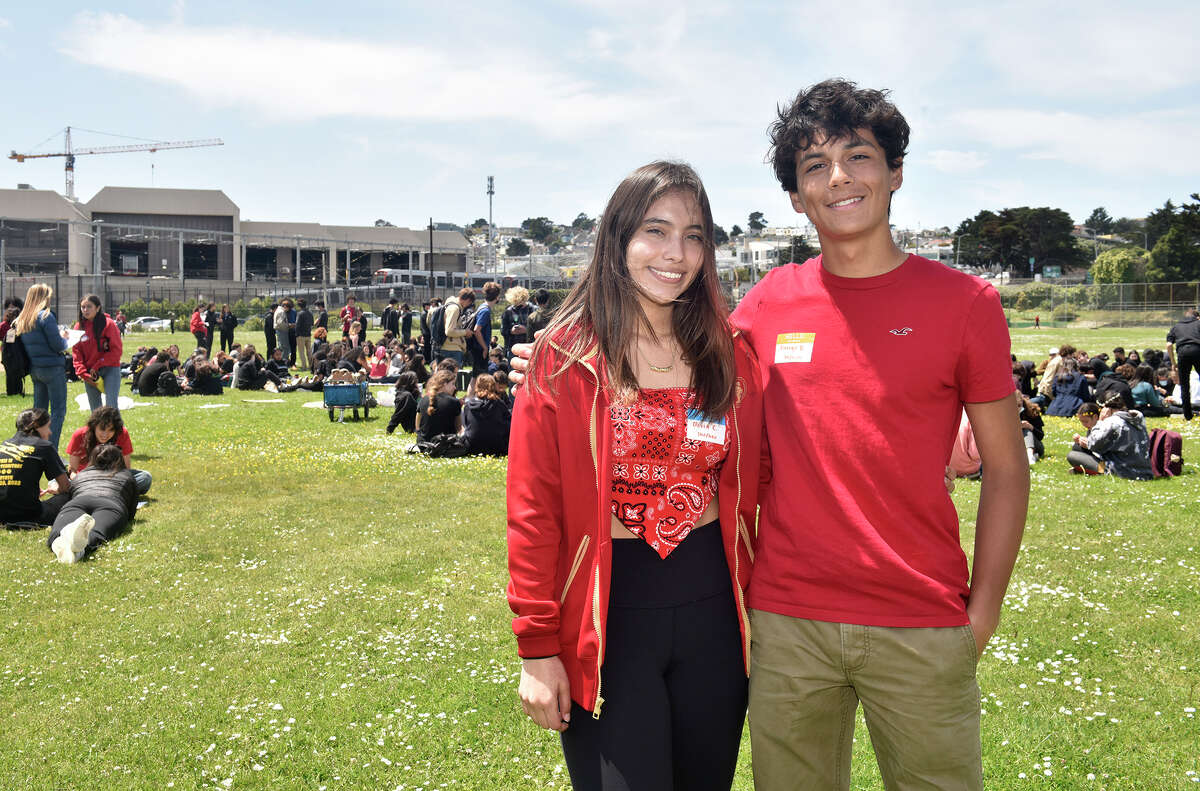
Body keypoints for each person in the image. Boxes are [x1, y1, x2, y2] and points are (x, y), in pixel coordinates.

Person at [735, 80, 1027, 790]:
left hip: (921, 620)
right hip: (788, 621)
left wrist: (980, 613)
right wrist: (574, 364)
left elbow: (1008, 471)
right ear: (797, 197)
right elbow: (678, 376)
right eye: (813, 166)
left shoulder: (966, 303)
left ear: (894, 173)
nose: (838, 177)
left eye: (858, 156)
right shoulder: (768, 302)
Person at [507, 161, 764, 791]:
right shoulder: (565, 358)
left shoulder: (732, 353)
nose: (677, 254)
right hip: (609, 614)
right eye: (656, 230)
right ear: (618, 238)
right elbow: (532, 511)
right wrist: (538, 650)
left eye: (695, 235)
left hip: (713, 610)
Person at [47, 444, 138, 563]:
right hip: (110, 505)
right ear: (119, 459)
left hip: (78, 502)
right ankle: (79, 549)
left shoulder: (81, 475)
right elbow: (131, 512)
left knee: (56, 533)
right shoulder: (127, 476)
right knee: (96, 533)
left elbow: (69, 495)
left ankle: (63, 542)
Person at [14, 284, 70, 448]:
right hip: (53, 369)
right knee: (58, 412)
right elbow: (58, 345)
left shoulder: (23, 319)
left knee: (38, 414)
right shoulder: (46, 316)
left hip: (35, 369)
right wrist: (65, 338)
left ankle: (36, 447)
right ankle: (50, 450)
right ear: (44, 298)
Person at [0, 408, 71, 527]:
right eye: (48, 427)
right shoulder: (44, 446)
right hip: (28, 515)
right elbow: (65, 487)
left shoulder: (3, 445)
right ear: (36, 425)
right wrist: (55, 490)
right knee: (70, 495)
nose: (50, 432)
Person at [65, 406, 152, 495]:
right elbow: (73, 470)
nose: (105, 435)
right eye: (102, 429)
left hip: (113, 478)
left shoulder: (122, 434)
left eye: (111, 430)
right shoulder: (80, 435)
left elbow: (126, 470)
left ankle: (96, 492)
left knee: (145, 477)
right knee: (61, 482)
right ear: (94, 426)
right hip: (85, 478)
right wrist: (80, 481)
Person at [1067, 397, 1153, 479]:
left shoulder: (1113, 421)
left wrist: (1100, 422)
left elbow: (1095, 445)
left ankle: (1094, 471)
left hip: (1122, 470)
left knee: (1072, 455)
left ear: (1107, 409)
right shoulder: (1138, 418)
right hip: (1143, 469)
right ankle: (1085, 469)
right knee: (1077, 447)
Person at [73, 293, 124, 412]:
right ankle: (96, 431)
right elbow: (76, 352)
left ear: (98, 308)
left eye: (89, 306)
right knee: (95, 411)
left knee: (111, 408)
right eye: (83, 307)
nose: (85, 310)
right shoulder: (78, 327)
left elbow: (116, 351)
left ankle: (118, 431)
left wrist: (98, 365)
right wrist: (82, 372)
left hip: (109, 369)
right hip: (89, 373)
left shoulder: (108, 324)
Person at [461, 373, 511, 455]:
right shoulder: (498, 403)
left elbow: (466, 424)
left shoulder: (468, 405)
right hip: (497, 446)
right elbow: (509, 422)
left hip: (472, 447)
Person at [1167, 307, 1200, 421]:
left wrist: (1173, 362)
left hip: (1182, 353)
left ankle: (1187, 414)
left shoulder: (1176, 326)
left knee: (1184, 385)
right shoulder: (1198, 323)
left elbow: (1169, 345)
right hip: (1197, 350)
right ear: (1197, 317)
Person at [415, 369, 461, 442]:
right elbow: (459, 429)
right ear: (445, 384)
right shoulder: (454, 402)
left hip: (423, 444)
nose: (454, 387)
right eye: (453, 384)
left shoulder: (423, 399)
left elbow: (417, 426)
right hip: (445, 445)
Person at [471, 282, 501, 375]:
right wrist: (484, 348)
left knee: (475, 376)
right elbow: (477, 330)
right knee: (479, 377)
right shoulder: (485, 311)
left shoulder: (482, 307)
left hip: (477, 347)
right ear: (497, 297)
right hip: (480, 348)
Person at [440, 289, 475, 368]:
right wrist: (465, 332)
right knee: (451, 377)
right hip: (451, 349)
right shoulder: (455, 309)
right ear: (468, 300)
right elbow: (449, 331)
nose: (469, 305)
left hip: (447, 346)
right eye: (470, 302)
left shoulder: (450, 305)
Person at [0, 305, 27, 396]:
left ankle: (17, 391)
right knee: (11, 375)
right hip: (10, 356)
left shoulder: (19, 327)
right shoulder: (8, 328)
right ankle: (12, 392)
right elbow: (9, 344)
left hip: (16, 355)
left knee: (17, 374)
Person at [501, 286, 534, 356]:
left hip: (529, 347)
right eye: (515, 303)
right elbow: (503, 331)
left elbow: (540, 329)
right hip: (512, 347)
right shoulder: (508, 312)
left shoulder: (533, 310)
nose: (517, 306)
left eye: (520, 303)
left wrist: (526, 330)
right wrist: (511, 331)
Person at [273, 299, 294, 366]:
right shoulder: (281, 312)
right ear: (285, 306)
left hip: (279, 331)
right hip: (282, 331)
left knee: (282, 346)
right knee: (285, 348)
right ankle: (284, 362)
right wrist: (289, 325)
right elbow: (280, 323)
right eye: (288, 308)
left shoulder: (278, 310)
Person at [295, 298, 313, 371]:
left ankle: (304, 366)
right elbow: (312, 323)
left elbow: (297, 324)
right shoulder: (310, 313)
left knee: (301, 351)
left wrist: (296, 334)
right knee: (309, 352)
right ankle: (311, 365)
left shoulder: (300, 313)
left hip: (301, 335)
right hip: (308, 334)